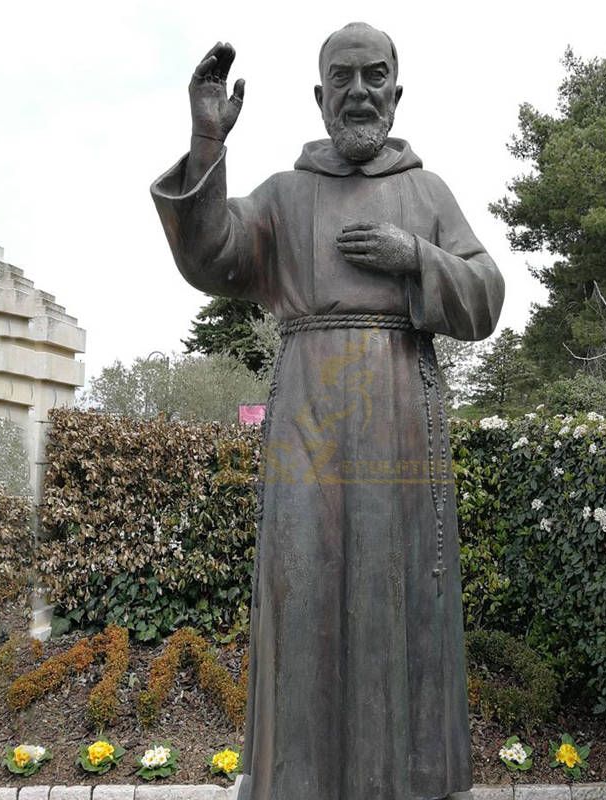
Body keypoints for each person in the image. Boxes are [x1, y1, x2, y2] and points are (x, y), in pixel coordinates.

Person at [151, 22, 505, 800]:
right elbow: (210, 253)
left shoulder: (426, 191)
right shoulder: (285, 193)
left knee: (398, 588)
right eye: (341, 79)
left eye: (374, 76)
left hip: (402, 409)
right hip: (308, 412)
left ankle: (402, 781)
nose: (358, 91)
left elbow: (486, 298)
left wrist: (417, 256)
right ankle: (299, 782)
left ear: (397, 91)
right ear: (318, 98)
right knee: (300, 586)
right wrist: (207, 141)